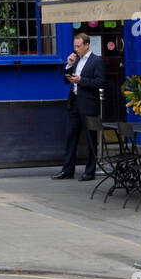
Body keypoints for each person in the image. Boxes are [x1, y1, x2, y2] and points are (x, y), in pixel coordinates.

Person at [53, 31, 105, 182]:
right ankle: (67, 170)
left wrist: (82, 80)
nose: (76, 49)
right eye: (75, 46)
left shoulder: (96, 61)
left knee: (90, 139)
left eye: (79, 46)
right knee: (70, 137)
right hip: (74, 102)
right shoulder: (75, 60)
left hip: (89, 104)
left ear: (87, 45)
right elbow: (65, 81)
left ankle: (90, 171)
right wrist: (68, 65)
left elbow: (100, 82)